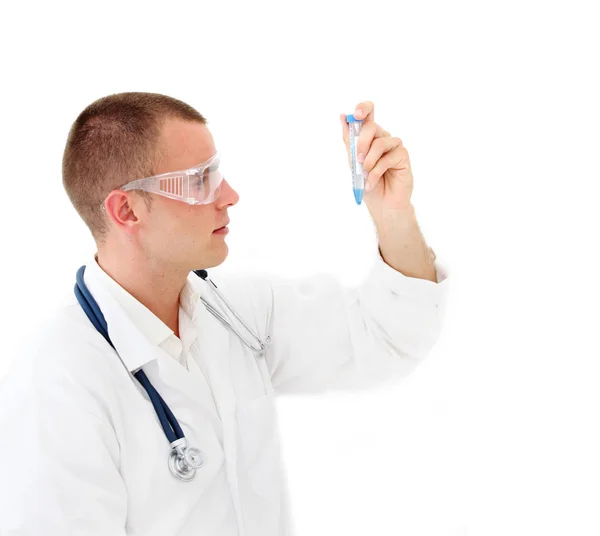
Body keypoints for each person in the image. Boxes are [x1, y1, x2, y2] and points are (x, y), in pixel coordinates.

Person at [0, 92, 450, 536]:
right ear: (127, 210)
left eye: (218, 174)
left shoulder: (234, 314)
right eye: (200, 180)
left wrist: (393, 215)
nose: (230, 195)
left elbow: (387, 336)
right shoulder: (59, 386)